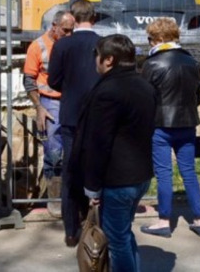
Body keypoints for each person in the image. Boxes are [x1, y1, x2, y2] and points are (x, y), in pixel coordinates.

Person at [70, 34, 156, 272]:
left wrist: (92, 186)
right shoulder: (144, 85)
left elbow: (99, 143)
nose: (95, 61)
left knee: (117, 242)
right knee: (124, 235)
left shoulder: (108, 91)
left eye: (97, 56)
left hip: (117, 180)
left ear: (108, 60)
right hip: (139, 175)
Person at [139, 17, 200, 238]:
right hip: (187, 123)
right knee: (189, 171)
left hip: (160, 125)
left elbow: (145, 96)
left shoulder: (152, 63)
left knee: (164, 173)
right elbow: (198, 92)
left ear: (158, 39)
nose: (149, 43)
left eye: (150, 38)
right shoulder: (191, 61)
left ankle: (164, 221)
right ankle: (198, 218)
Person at [47, 0, 101, 246]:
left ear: (73, 17)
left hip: (70, 114)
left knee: (70, 171)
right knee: (99, 168)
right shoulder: (103, 43)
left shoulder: (62, 45)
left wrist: (68, 87)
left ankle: (71, 231)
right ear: (94, 16)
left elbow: (53, 81)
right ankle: (98, 224)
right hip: (99, 114)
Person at [23, 10, 75, 209]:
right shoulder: (38, 46)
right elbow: (29, 80)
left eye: (72, 30)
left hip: (71, 100)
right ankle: (54, 198)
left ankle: (70, 197)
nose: (69, 34)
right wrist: (39, 107)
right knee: (53, 151)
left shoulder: (71, 44)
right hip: (50, 102)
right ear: (54, 26)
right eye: (65, 30)